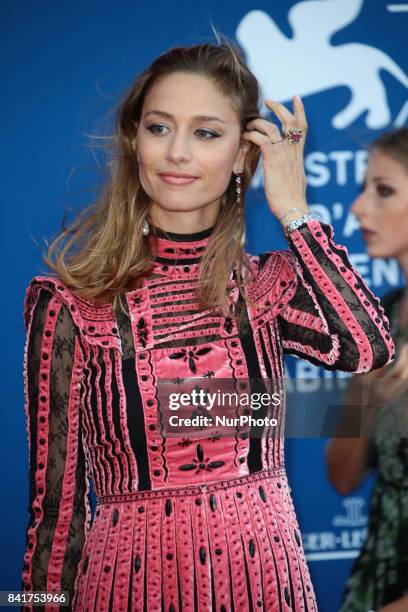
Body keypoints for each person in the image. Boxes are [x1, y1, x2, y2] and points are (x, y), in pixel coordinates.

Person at [21, 42, 393, 612]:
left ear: (244, 155)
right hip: (126, 588)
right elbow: (54, 508)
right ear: (134, 140)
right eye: (159, 127)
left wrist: (294, 209)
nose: (176, 153)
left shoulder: (269, 286)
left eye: (206, 133)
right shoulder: (72, 302)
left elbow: (366, 348)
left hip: (265, 583)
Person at [326, 128, 408, 612]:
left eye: (383, 189)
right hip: (377, 578)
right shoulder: (381, 317)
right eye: (362, 187)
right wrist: (367, 392)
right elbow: (342, 477)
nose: (357, 207)